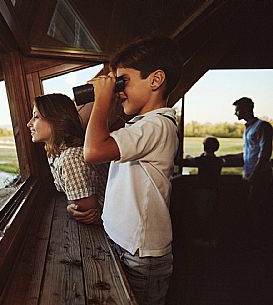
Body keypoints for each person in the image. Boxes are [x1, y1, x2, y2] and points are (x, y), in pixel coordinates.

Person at [83, 36, 183, 305]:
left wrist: (101, 100)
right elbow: (128, 185)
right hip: (127, 245)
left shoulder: (156, 125)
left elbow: (92, 151)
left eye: (122, 81)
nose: (118, 91)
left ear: (155, 79)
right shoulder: (142, 125)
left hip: (142, 256)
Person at [26, 93, 108, 224]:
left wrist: (71, 208)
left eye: (36, 117)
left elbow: (86, 213)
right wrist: (70, 206)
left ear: (56, 120)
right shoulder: (54, 153)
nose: (29, 124)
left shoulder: (70, 159)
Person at [224, 97, 272, 235]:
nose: (235, 113)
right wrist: (224, 158)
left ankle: (259, 241)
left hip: (260, 176)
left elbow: (265, 154)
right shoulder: (249, 128)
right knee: (251, 207)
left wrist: (254, 175)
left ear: (245, 109)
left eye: (237, 110)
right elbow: (247, 154)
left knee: (257, 208)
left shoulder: (263, 126)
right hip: (250, 176)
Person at [183, 136, 224, 245]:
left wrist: (186, 155)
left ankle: (203, 238)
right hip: (213, 191)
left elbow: (191, 159)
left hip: (202, 192)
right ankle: (212, 238)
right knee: (211, 214)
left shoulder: (201, 160)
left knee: (201, 215)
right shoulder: (219, 161)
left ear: (204, 147)